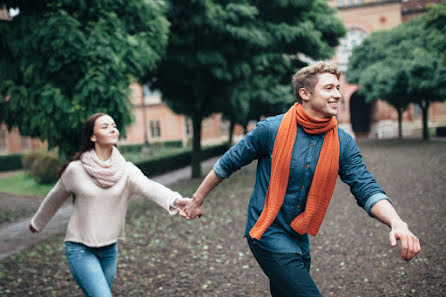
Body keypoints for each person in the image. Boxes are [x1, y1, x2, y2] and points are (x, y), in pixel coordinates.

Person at [184, 62, 421, 296]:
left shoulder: (342, 142)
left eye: (338, 88)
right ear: (304, 94)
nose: (337, 94)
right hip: (266, 233)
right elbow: (227, 163)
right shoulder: (271, 130)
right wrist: (197, 200)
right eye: (329, 88)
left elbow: (365, 187)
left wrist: (396, 222)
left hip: (299, 237)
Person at [29, 112, 190, 297]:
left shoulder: (126, 170)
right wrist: (37, 223)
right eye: (104, 126)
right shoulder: (76, 170)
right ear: (92, 136)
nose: (112, 129)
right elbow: (54, 197)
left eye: (113, 125)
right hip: (80, 249)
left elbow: (150, 187)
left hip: (109, 250)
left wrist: (177, 201)